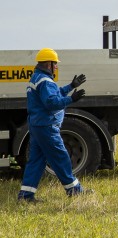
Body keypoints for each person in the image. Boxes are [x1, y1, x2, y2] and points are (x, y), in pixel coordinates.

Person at [18, 48, 89, 203]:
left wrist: (71, 86)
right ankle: (74, 190)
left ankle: (26, 195)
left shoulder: (38, 78)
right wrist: (72, 99)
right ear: (48, 63)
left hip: (38, 126)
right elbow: (52, 103)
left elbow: (55, 93)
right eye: (55, 63)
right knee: (61, 157)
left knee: (36, 161)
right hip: (47, 127)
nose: (56, 66)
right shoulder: (45, 81)